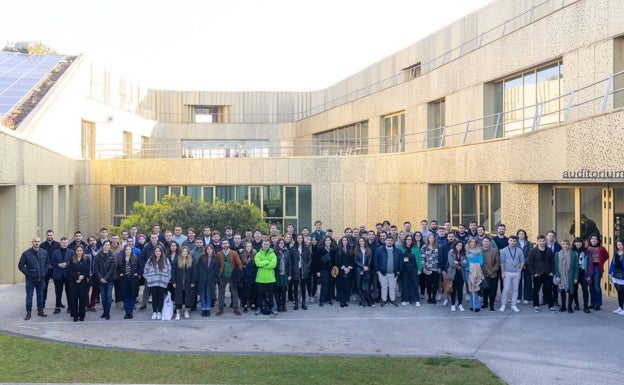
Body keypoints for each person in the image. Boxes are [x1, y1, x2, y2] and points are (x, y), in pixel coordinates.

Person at [18, 237, 50, 320]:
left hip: (41, 279)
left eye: (38, 241)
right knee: (29, 296)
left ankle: (40, 310)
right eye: (35, 241)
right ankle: (28, 312)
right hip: (30, 280)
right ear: (32, 242)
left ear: (40, 243)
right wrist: (28, 273)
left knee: (40, 295)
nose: (37, 243)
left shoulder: (44, 252)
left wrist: (44, 272)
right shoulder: (26, 253)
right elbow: (20, 265)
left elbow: (47, 263)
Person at [527, 235, 555, 313]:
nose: (542, 242)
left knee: (549, 290)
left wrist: (552, 272)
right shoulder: (532, 250)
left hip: (548, 273)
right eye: (540, 241)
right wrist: (534, 273)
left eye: (543, 241)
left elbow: (552, 262)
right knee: (536, 291)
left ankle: (551, 305)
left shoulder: (549, 250)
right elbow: (529, 263)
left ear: (545, 241)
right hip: (537, 274)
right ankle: (536, 305)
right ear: (537, 241)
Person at [143, 245, 171, 320]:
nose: (157, 252)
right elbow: (145, 270)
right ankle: (155, 312)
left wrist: (167, 280)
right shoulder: (150, 260)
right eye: (156, 251)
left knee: (160, 298)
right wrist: (149, 278)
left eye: (159, 251)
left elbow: (169, 271)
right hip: (153, 283)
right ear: (154, 252)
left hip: (162, 282)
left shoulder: (166, 260)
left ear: (161, 252)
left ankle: (159, 312)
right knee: (154, 298)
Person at [216, 239, 243, 316]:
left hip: (232, 276)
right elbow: (217, 265)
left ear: (228, 244)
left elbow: (239, 264)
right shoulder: (219, 254)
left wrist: (238, 274)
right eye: (223, 243)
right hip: (222, 276)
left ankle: (236, 308)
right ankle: (220, 309)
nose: (225, 245)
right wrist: (218, 273)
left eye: (226, 243)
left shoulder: (234, 253)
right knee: (221, 293)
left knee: (234, 292)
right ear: (222, 245)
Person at [374, 236, 403, 307]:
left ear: (393, 242)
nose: (389, 241)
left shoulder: (397, 251)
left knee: (392, 287)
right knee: (384, 287)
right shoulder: (379, 250)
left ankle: (392, 300)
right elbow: (375, 260)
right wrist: (377, 270)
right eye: (388, 240)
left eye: (391, 240)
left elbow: (401, 261)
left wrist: (399, 270)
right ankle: (384, 300)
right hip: (382, 272)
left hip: (394, 273)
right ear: (385, 241)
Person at [499, 236, 524, 313]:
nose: (512, 242)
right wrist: (502, 272)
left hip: (516, 272)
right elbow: (502, 263)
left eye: (514, 241)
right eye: (511, 240)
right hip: (507, 272)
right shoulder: (503, 251)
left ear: (516, 242)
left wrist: (520, 269)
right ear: (508, 241)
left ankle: (513, 304)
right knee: (506, 289)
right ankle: (503, 304)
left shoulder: (519, 250)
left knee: (515, 290)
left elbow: (522, 261)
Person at [396, 234, 422, 306]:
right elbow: (399, 259)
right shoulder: (401, 248)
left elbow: (419, 259)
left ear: (412, 240)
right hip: (404, 269)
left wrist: (419, 269)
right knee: (405, 284)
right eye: (407, 239)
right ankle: (405, 299)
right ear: (405, 240)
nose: (409, 241)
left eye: (410, 239)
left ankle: (416, 300)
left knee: (415, 284)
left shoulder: (416, 248)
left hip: (414, 268)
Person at [586, 234, 609, 311]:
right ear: (590, 240)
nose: (594, 240)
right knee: (591, 286)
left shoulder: (602, 249)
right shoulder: (587, 248)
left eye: (596, 239)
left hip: (597, 269)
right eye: (592, 238)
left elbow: (606, 256)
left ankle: (598, 304)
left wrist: (601, 262)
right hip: (589, 269)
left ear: (598, 240)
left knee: (596, 286)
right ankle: (592, 303)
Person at [50, 237, 73, 314]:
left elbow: (73, 261)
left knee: (69, 292)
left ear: (68, 243)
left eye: (66, 243)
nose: (64, 244)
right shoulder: (55, 252)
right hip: (58, 274)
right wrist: (58, 264)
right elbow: (52, 262)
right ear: (60, 243)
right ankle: (57, 307)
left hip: (68, 275)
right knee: (58, 292)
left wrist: (67, 264)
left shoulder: (71, 252)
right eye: (63, 243)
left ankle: (70, 307)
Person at [172, 246, 196, 320]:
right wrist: (174, 281)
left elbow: (194, 272)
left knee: (188, 297)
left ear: (188, 252)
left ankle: (186, 311)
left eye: (186, 251)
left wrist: (193, 281)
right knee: (178, 298)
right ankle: (178, 313)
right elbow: (173, 272)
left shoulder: (191, 260)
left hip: (188, 283)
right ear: (181, 252)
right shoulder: (177, 260)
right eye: (183, 251)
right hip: (179, 283)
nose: (184, 252)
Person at [554, 240, 578, 313]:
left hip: (570, 276)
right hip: (561, 276)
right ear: (561, 245)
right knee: (562, 291)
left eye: (567, 244)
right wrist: (557, 276)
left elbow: (576, 267)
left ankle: (569, 307)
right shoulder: (557, 254)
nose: (565, 245)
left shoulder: (573, 254)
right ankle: (563, 306)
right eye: (563, 244)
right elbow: (556, 266)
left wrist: (576, 277)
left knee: (571, 291)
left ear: (569, 245)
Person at [255, 240, 278, 315]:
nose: (265, 245)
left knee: (271, 295)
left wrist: (263, 264)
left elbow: (273, 265)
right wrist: (267, 262)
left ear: (269, 245)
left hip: (270, 279)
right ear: (262, 244)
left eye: (267, 244)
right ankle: (259, 307)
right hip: (260, 279)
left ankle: (272, 308)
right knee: (260, 294)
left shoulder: (273, 254)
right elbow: (258, 263)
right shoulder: (258, 254)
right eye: (264, 244)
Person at [94, 240, 116, 320]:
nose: (107, 246)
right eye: (105, 245)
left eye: (108, 245)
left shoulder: (112, 255)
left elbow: (112, 268)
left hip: (109, 279)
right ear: (103, 246)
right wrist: (101, 278)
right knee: (103, 297)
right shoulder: (98, 256)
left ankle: (107, 313)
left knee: (109, 297)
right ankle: (104, 312)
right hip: (101, 280)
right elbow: (96, 268)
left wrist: (105, 278)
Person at [195, 244, 219, 317]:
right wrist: (199, 277)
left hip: (211, 280)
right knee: (202, 294)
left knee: (208, 294)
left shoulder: (215, 259)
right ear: (206, 250)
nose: (209, 250)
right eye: (208, 249)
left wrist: (215, 279)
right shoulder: (202, 257)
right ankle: (203, 309)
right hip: (202, 279)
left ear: (212, 250)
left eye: (210, 249)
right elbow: (197, 268)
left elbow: (216, 270)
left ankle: (208, 309)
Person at [117, 245, 140, 319]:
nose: (128, 251)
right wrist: (120, 273)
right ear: (124, 251)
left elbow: (141, 267)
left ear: (131, 251)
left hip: (133, 280)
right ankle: (127, 312)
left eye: (129, 249)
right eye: (126, 249)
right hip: (124, 280)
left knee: (132, 296)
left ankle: (131, 312)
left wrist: (138, 273)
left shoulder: (135, 258)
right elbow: (117, 268)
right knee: (126, 296)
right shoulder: (121, 259)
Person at [290, 234, 311, 310]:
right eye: (298, 238)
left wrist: (307, 266)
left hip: (303, 270)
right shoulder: (293, 248)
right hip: (295, 270)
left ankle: (303, 303)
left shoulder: (306, 248)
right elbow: (291, 260)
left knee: (303, 287)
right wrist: (292, 268)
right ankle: (296, 303)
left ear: (303, 239)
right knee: (295, 287)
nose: (300, 239)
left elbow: (309, 259)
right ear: (296, 239)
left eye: (301, 238)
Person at [481, 237, 500, 312]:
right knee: (485, 289)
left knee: (492, 290)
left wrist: (493, 270)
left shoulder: (494, 251)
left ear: (490, 243)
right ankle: (485, 304)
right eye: (484, 241)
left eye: (487, 241)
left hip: (493, 274)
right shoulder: (479, 251)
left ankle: (491, 305)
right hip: (483, 274)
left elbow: (497, 262)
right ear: (482, 242)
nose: (486, 243)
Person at [315, 236, 335, 307]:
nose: (328, 241)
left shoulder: (333, 249)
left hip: (331, 270)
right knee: (324, 285)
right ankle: (321, 300)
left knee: (330, 285)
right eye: (326, 240)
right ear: (324, 241)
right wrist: (318, 271)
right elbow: (317, 261)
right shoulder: (320, 249)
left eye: (329, 240)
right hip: (323, 270)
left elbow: (335, 260)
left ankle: (329, 299)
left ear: (331, 241)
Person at [571, 237, 590, 313]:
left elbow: (589, 263)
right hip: (575, 273)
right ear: (574, 243)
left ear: (582, 243)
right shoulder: (571, 251)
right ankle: (577, 304)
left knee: (585, 290)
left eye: (580, 242)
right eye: (576, 242)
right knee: (574, 289)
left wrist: (589, 274)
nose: (578, 243)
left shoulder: (586, 252)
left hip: (583, 272)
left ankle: (586, 306)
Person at [447, 240, 467, 312]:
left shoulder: (463, 253)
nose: (459, 247)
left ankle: (460, 304)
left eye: (461, 246)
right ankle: (453, 304)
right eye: (458, 245)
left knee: (460, 290)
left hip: (461, 273)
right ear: (455, 246)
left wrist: (458, 263)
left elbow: (465, 262)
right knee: (453, 289)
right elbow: (451, 263)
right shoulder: (451, 252)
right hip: (453, 273)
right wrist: (460, 264)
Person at [354, 236, 373, 307]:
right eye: (360, 241)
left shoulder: (369, 250)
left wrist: (366, 268)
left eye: (362, 241)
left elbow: (370, 261)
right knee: (359, 287)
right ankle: (362, 302)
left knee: (367, 288)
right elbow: (355, 261)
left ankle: (369, 301)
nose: (361, 242)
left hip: (367, 270)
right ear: (358, 242)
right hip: (358, 271)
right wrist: (362, 267)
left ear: (365, 242)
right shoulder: (356, 250)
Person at [421, 233, 441, 304]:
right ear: (428, 239)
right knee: (429, 284)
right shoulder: (424, 247)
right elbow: (422, 258)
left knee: (435, 284)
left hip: (436, 269)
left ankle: (434, 297)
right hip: (427, 269)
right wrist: (423, 268)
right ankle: (429, 297)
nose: (431, 239)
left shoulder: (438, 246)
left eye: (433, 238)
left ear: (434, 239)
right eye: (430, 238)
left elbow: (440, 258)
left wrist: (439, 267)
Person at [465, 238, 484, 312]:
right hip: (467, 271)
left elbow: (481, 262)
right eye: (471, 242)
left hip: (475, 272)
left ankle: (476, 306)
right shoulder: (466, 251)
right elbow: (464, 262)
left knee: (475, 289)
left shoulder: (479, 252)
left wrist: (471, 265)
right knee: (471, 288)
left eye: (474, 242)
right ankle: (471, 305)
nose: (472, 243)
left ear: (476, 243)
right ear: (469, 243)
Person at [335, 236, 354, 308]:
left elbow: (352, 260)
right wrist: (343, 267)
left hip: (349, 271)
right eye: (343, 240)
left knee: (347, 286)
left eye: (346, 240)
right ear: (341, 241)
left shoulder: (350, 249)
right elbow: (337, 260)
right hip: (341, 271)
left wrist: (349, 267)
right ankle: (341, 301)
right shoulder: (338, 249)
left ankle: (346, 300)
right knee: (341, 286)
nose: (345, 241)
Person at [515, 229, 533, 305]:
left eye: (523, 234)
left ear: (525, 235)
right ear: (517, 235)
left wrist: (524, 264)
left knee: (527, 281)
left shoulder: (530, 244)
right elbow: (514, 255)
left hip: (527, 265)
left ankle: (526, 297)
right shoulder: (515, 244)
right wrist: (520, 265)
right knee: (517, 282)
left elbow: (530, 255)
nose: (521, 235)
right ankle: (518, 297)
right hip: (517, 265)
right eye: (520, 234)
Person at [239, 241, 257, 312]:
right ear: (245, 247)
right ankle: (245, 304)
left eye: (249, 246)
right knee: (245, 291)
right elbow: (240, 266)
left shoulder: (255, 254)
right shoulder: (242, 255)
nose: (248, 248)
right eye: (247, 246)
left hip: (253, 275)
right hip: (245, 275)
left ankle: (252, 303)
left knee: (253, 291)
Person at [609, 239, 624, 315]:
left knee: (623, 292)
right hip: (616, 274)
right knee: (619, 291)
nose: (619, 246)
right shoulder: (616, 253)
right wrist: (610, 273)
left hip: (623, 275)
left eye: (621, 244)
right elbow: (612, 263)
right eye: (618, 245)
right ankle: (620, 307)